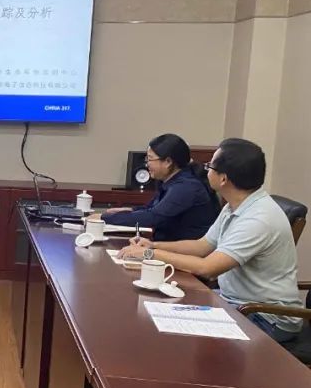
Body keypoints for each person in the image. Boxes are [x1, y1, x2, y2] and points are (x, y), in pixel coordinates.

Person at [119, 138, 303, 343]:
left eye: (210, 167)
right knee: (156, 310)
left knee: (169, 333)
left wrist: (150, 254)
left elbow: (207, 268)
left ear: (223, 179)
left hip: (265, 317)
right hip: (234, 302)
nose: (205, 171)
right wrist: (154, 245)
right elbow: (202, 246)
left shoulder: (258, 219)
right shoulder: (235, 205)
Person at [98, 134, 219, 241]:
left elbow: (153, 217)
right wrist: (130, 210)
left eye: (150, 159)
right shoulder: (170, 181)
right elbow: (151, 208)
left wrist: (103, 218)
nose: (147, 164)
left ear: (168, 162)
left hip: (183, 251)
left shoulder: (186, 187)